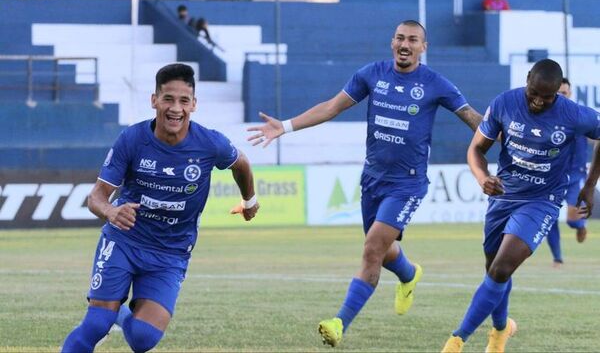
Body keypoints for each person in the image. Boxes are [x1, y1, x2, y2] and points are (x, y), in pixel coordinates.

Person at [247, 20, 483, 347]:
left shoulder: (435, 83)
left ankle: (339, 322)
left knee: (372, 248)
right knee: (383, 252)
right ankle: (409, 274)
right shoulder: (372, 74)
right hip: (372, 179)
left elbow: (471, 116)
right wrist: (284, 127)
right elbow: (331, 107)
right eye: (400, 38)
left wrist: (504, 139)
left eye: (413, 40)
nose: (405, 44)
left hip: (407, 184)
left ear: (423, 47)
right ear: (392, 42)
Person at [61, 63, 259, 353]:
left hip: (171, 252)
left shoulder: (209, 143)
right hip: (124, 241)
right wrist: (111, 212)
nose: (175, 108)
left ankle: (120, 312)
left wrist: (249, 201)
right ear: (154, 100)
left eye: (183, 100)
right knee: (96, 323)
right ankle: (108, 312)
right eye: (168, 99)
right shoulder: (132, 139)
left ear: (194, 104)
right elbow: (97, 196)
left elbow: (240, 163)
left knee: (143, 338)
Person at [441, 59, 600, 353]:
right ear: (527, 80)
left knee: (501, 269)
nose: (539, 101)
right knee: (494, 270)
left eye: (547, 97)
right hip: (503, 197)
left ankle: (457, 340)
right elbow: (476, 149)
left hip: (542, 200)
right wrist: (482, 177)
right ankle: (501, 331)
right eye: (534, 94)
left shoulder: (572, 113)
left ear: (557, 94)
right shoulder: (504, 103)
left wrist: (590, 186)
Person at [546, 78, 589, 268]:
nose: (562, 96)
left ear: (570, 93)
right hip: (552, 176)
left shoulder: (580, 115)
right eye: (559, 93)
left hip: (576, 176)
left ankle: (580, 226)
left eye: (565, 92)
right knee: (548, 218)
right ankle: (557, 258)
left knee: (572, 220)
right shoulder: (546, 117)